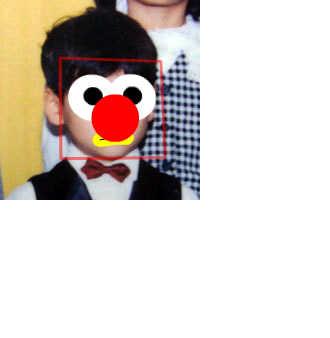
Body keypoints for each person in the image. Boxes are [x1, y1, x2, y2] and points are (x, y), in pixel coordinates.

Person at [8, 8, 197, 200]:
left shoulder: (183, 197)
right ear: (56, 107)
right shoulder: (28, 198)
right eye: (92, 97)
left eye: (131, 95)